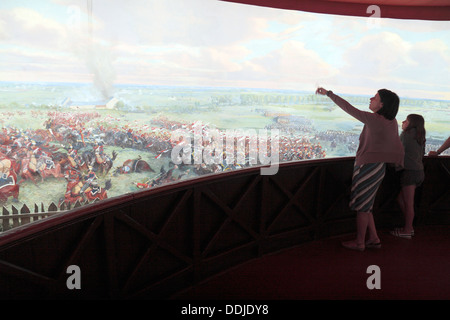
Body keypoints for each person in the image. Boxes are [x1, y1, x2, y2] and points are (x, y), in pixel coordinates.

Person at [316, 87, 404, 251]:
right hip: (378, 167)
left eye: (375, 97)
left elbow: (348, 108)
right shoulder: (392, 122)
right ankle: (374, 238)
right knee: (367, 205)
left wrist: (329, 94)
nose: (371, 99)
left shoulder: (374, 120)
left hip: (367, 167)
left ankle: (359, 242)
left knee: (362, 208)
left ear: (382, 104)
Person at [391, 114, 426, 239]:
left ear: (411, 124)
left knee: (408, 203)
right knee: (401, 199)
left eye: (406, 120)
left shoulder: (405, 135)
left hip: (409, 173)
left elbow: (398, 152)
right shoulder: (421, 136)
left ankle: (407, 230)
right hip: (419, 172)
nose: (403, 122)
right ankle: (409, 226)